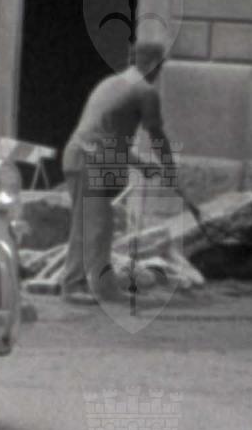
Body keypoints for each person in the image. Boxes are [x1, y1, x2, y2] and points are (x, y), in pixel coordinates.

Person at [60, 38, 180, 305]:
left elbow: (109, 139)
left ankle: (98, 287)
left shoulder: (111, 83)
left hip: (82, 157)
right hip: (89, 161)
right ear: (153, 63)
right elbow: (157, 135)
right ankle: (76, 286)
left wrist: (144, 165)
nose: (160, 72)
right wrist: (170, 169)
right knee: (94, 226)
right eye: (160, 66)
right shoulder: (145, 91)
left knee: (97, 225)